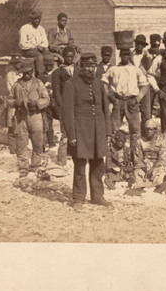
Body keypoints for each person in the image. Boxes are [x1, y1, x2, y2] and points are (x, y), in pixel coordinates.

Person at [62, 53, 112, 210]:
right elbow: (67, 112)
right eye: (87, 66)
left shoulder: (99, 84)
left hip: (98, 130)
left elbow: (105, 110)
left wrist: (108, 132)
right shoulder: (71, 85)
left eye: (93, 66)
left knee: (98, 164)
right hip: (81, 130)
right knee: (80, 165)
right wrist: (71, 134)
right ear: (81, 67)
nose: (90, 69)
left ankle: (97, 196)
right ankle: (78, 198)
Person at [101, 48, 149, 149]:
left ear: (130, 56)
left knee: (135, 130)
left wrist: (137, 99)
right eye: (123, 55)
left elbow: (145, 85)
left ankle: (135, 155)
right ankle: (116, 155)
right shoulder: (113, 69)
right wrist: (110, 96)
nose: (125, 57)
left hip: (131, 102)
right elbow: (103, 81)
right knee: (115, 129)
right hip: (117, 101)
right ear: (120, 56)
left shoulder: (135, 69)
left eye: (128, 55)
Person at [9, 60, 50, 177]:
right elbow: (9, 100)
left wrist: (37, 103)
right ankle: (23, 167)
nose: (26, 75)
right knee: (21, 143)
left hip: (36, 116)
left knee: (38, 142)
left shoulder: (39, 84)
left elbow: (47, 99)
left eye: (28, 72)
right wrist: (16, 103)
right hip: (21, 117)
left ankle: (35, 165)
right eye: (24, 73)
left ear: (32, 71)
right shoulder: (17, 85)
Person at [51, 46, 76, 166]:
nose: (70, 59)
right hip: (65, 105)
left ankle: (76, 154)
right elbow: (56, 91)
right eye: (67, 56)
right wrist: (61, 107)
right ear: (63, 57)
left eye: (72, 56)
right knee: (65, 132)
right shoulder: (57, 72)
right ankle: (61, 159)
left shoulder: (78, 69)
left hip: (77, 105)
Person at [132, 119, 166, 189]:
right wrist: (145, 169)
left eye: (151, 129)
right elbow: (138, 158)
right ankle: (142, 185)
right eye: (147, 129)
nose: (149, 131)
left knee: (160, 177)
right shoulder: (140, 141)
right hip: (144, 165)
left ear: (155, 130)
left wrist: (152, 169)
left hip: (157, 165)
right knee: (138, 174)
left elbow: (162, 158)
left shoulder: (162, 141)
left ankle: (157, 185)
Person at [19, 9, 51, 76]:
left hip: (40, 50)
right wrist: (35, 47)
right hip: (28, 51)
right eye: (35, 19)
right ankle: (41, 76)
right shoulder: (24, 28)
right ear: (31, 19)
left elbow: (46, 43)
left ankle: (49, 76)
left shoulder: (41, 29)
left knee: (50, 56)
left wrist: (41, 47)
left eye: (39, 18)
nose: (37, 20)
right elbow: (22, 44)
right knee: (39, 57)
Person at [37, 52, 57, 150]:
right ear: (44, 65)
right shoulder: (41, 77)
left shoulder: (56, 74)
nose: (49, 67)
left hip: (56, 101)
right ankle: (50, 141)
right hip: (47, 102)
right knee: (48, 122)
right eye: (47, 65)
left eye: (51, 65)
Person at [6, 54, 23, 154]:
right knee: (12, 125)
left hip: (21, 102)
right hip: (13, 101)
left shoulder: (22, 73)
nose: (18, 64)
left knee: (21, 124)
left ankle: (20, 147)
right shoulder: (10, 74)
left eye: (19, 62)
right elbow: (12, 88)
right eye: (16, 63)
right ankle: (13, 149)